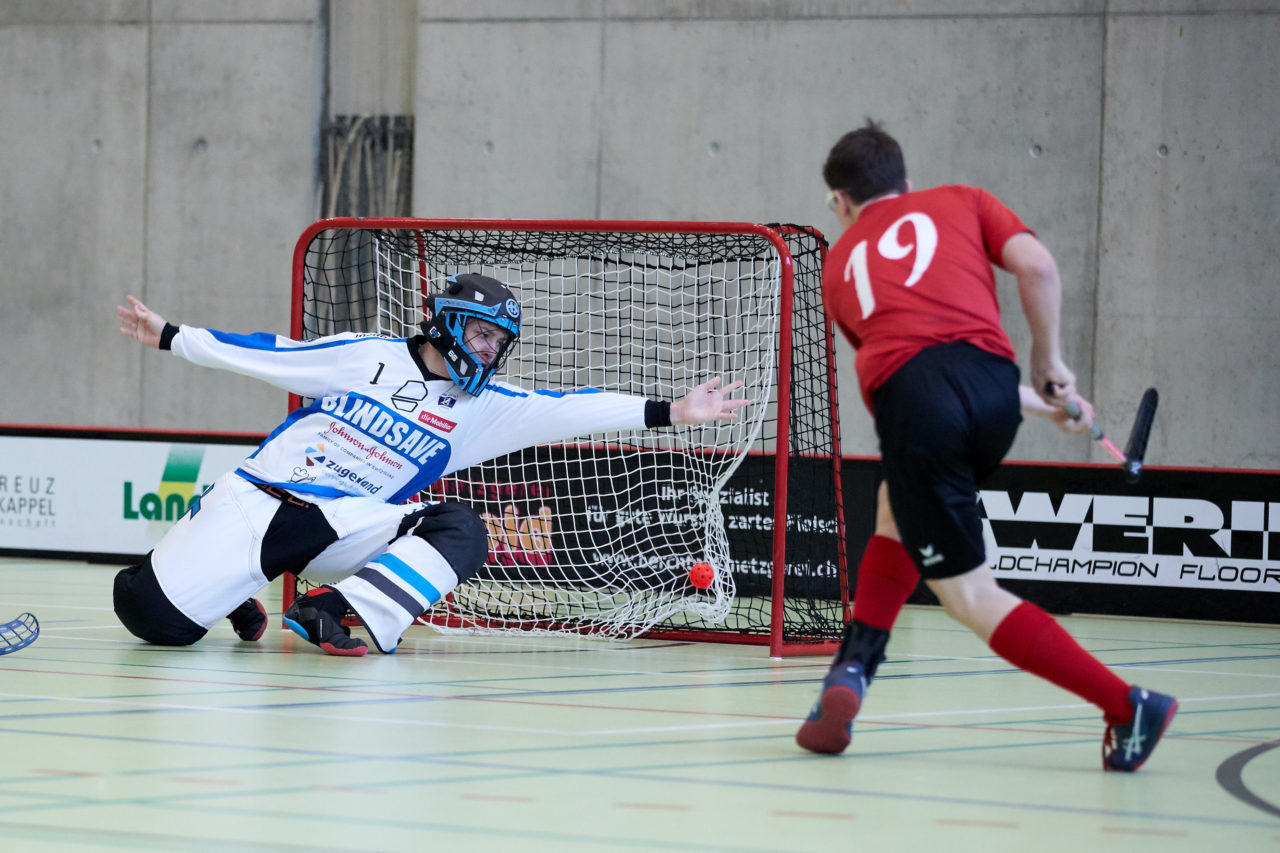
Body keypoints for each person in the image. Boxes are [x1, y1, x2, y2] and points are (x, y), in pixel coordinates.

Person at [795, 121, 1177, 772]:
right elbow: (1037, 266)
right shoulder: (963, 200)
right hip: (993, 390)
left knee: (969, 594)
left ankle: (1127, 703)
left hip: (919, 405)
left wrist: (1036, 382)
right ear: (905, 183)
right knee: (897, 502)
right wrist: (1049, 377)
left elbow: (915, 372)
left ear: (840, 202)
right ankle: (853, 665)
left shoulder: (838, 267)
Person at [113, 273, 747, 657]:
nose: (491, 352)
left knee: (461, 528)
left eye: (500, 344)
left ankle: (333, 608)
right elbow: (273, 355)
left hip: (348, 529)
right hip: (262, 499)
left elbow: (571, 407)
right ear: (448, 324)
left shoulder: (483, 408)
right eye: (483, 336)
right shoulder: (368, 356)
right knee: (151, 620)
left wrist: (673, 410)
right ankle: (237, 589)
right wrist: (173, 335)